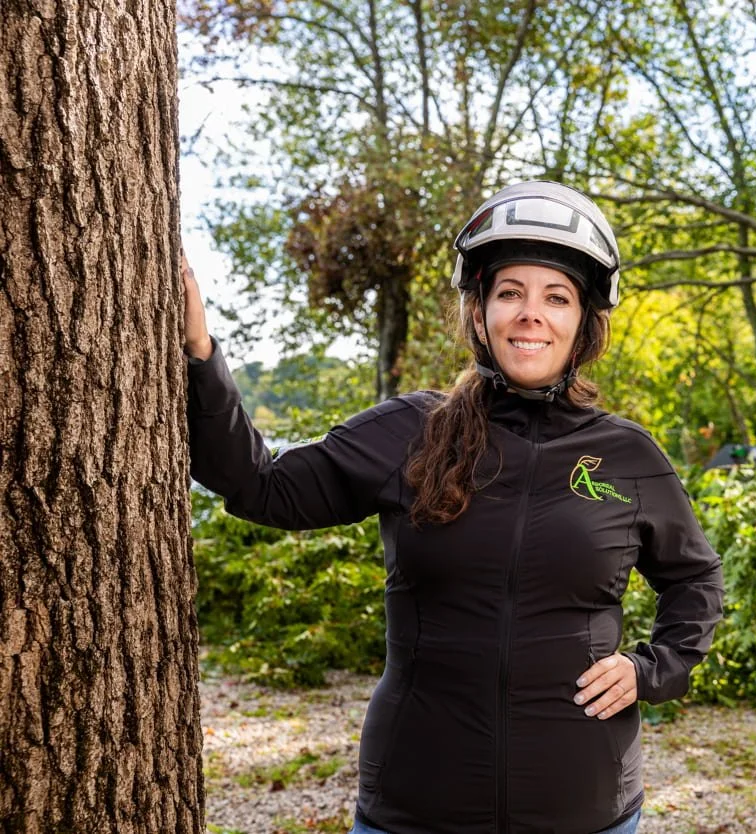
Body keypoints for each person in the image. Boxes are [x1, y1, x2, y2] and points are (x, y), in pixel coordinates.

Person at [183, 181, 725, 834]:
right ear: (479, 313)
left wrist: (652, 669)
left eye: (556, 297)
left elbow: (695, 578)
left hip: (584, 809)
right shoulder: (411, 430)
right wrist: (202, 356)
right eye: (509, 293)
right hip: (415, 807)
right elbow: (259, 488)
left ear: (583, 323)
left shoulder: (627, 455)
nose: (532, 314)